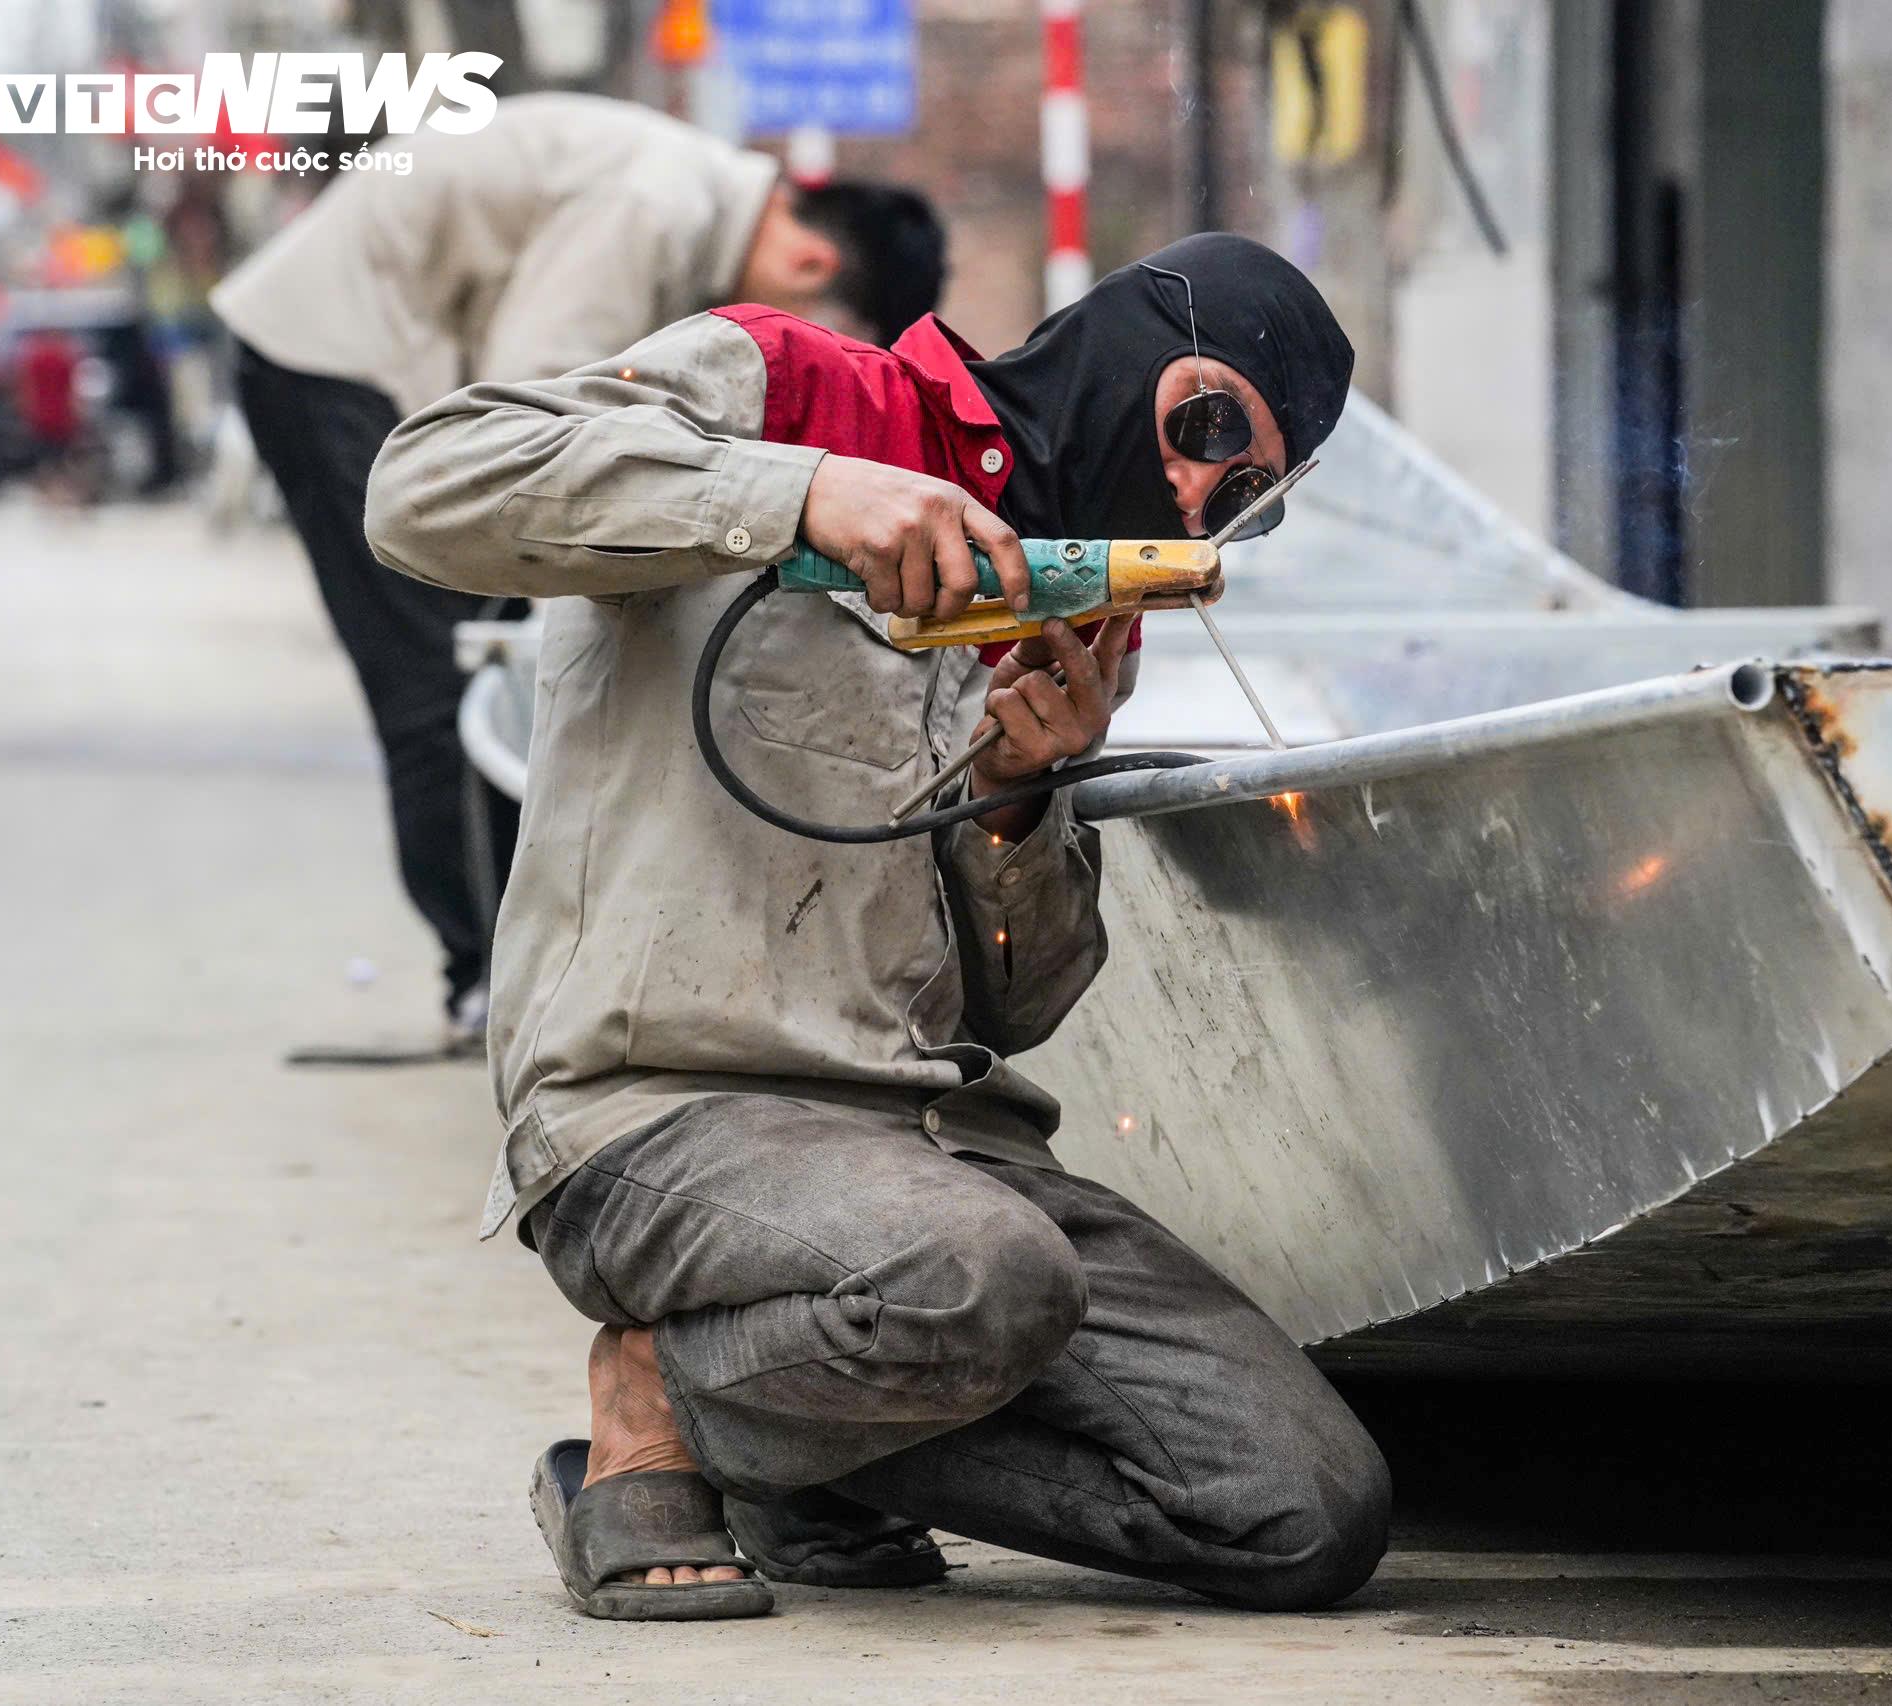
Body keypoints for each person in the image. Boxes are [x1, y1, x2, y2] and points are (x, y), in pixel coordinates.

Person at [363, 232, 1389, 1618]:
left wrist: (1022, 797)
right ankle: (651, 1392)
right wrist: (803, 496)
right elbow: (422, 487)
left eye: (1250, 496)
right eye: (1208, 428)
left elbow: (1016, 1007)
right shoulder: (796, 388)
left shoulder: (1088, 610)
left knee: (1306, 1507)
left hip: (932, 1150)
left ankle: (814, 1445)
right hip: (660, 1113)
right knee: (984, 1274)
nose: (1204, 490)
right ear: (1126, 351)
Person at [213, 93, 946, 1046]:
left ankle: (508, 964)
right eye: (817, 336)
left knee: (487, 653)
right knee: (444, 676)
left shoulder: (689, 198)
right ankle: (490, 980)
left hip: (380, 357)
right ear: (808, 265)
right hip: (334, 357)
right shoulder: (654, 207)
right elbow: (538, 420)